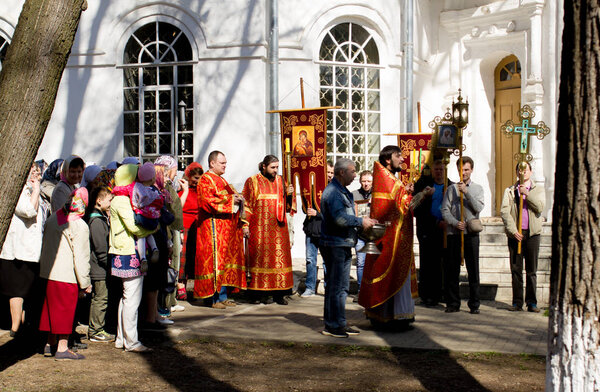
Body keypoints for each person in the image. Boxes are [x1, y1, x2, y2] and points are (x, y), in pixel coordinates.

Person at [358, 146, 417, 331]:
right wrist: (420, 195)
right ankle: (393, 317)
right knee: (391, 276)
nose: (402, 159)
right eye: (398, 156)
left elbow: (397, 201)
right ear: (388, 160)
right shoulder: (385, 178)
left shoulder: (390, 179)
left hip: (399, 239)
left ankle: (396, 315)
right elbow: (401, 207)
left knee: (398, 275)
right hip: (391, 239)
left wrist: (405, 191)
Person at [320, 158, 377, 338]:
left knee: (342, 287)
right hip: (334, 243)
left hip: (344, 243)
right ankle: (332, 325)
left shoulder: (343, 191)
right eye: (353, 172)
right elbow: (339, 218)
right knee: (336, 286)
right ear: (342, 172)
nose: (355, 176)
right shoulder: (333, 192)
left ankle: (340, 323)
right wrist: (361, 222)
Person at [39, 188, 92, 360]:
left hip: (48, 272)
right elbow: (82, 257)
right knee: (64, 311)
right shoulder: (79, 225)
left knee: (51, 311)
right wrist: (85, 283)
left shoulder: (54, 217)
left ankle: (50, 344)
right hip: (65, 274)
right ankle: (62, 348)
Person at [109, 164, 155, 352]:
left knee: (126, 298)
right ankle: (131, 341)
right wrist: (153, 228)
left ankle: (122, 338)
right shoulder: (122, 200)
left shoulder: (118, 198)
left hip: (122, 251)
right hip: (128, 252)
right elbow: (134, 227)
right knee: (132, 299)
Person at [195, 151, 246, 308]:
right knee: (214, 263)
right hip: (212, 229)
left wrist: (239, 199)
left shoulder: (222, 180)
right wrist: (231, 200)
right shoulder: (205, 180)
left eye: (225, 163)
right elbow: (207, 202)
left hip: (225, 229)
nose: (225, 165)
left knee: (224, 263)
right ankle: (212, 298)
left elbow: (232, 196)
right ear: (212, 163)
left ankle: (222, 295)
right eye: (222, 163)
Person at [0, 163, 45, 337]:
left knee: (26, 290)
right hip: (17, 251)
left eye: (38, 171)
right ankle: (15, 328)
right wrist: (36, 188)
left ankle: (23, 326)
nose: (36, 174)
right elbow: (28, 211)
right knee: (16, 291)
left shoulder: (33, 191)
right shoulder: (19, 191)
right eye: (32, 171)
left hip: (30, 250)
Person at [242, 155, 294, 305]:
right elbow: (247, 206)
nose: (275, 170)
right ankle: (258, 294)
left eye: (277, 167)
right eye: (273, 167)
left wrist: (288, 194)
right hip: (260, 230)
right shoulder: (252, 181)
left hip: (278, 229)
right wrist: (245, 225)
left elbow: (288, 206)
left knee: (279, 262)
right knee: (260, 261)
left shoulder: (280, 180)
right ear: (264, 167)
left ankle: (279, 294)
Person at [441, 156, 484, 314]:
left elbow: (478, 207)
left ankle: (474, 304)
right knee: (452, 269)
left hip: (470, 233)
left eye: (466, 169)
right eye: (461, 169)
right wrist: (454, 222)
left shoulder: (477, 188)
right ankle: (452, 302)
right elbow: (445, 209)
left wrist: (466, 192)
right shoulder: (452, 189)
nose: (463, 173)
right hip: (455, 232)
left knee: (473, 269)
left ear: (471, 170)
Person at [500, 162, 544, 313]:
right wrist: (513, 230)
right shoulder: (510, 191)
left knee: (531, 270)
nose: (523, 172)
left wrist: (527, 194)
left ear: (531, 172)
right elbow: (505, 212)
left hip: (532, 234)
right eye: (520, 169)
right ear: (516, 172)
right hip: (516, 234)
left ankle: (531, 302)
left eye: (526, 170)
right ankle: (517, 302)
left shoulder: (537, 189)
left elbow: (539, 207)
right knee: (516, 269)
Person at [413, 159, 452, 307]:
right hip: (428, 230)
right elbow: (416, 210)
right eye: (436, 169)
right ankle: (428, 295)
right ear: (432, 170)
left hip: (447, 229)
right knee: (428, 263)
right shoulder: (424, 186)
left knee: (445, 263)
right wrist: (435, 222)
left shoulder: (451, 186)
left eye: (441, 169)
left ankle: (442, 292)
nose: (439, 172)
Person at [155, 155, 186, 314]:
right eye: (174, 170)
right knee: (169, 268)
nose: (176, 173)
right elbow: (173, 209)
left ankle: (169, 302)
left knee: (172, 268)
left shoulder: (166, 186)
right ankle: (165, 305)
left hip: (170, 230)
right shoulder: (164, 187)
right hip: (167, 231)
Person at [85, 186, 116, 342]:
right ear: (99, 200)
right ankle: (96, 330)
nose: (111, 202)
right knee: (100, 299)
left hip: (99, 267)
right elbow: (100, 248)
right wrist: (108, 264)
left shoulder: (100, 217)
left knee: (99, 298)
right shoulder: (96, 221)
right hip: (99, 268)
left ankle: (97, 327)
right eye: (109, 199)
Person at [300, 162, 334, 298]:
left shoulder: (335, 190)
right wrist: (306, 209)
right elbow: (305, 206)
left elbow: (335, 213)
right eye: (327, 172)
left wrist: (318, 214)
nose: (330, 175)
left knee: (327, 261)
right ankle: (310, 287)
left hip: (326, 231)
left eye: (332, 172)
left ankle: (329, 287)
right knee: (310, 259)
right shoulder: (312, 188)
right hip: (311, 229)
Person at [177, 162, 203, 301]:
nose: (197, 181)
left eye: (199, 178)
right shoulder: (182, 190)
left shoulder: (201, 191)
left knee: (194, 256)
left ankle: (191, 286)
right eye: (195, 178)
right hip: (185, 225)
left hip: (197, 226)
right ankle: (181, 285)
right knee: (184, 257)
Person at [130, 162, 163, 272]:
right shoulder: (153, 190)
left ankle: (143, 257)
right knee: (149, 233)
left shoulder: (137, 187)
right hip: (152, 218)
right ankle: (154, 248)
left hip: (141, 216)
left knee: (141, 236)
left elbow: (134, 201)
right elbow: (160, 202)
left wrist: (136, 208)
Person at [352, 169, 372, 298]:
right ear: (360, 181)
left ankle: (372, 290)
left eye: (369, 181)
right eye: (364, 181)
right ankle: (360, 291)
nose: (366, 184)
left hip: (374, 234)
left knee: (374, 263)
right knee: (361, 263)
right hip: (359, 234)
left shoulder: (377, 194)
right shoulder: (354, 195)